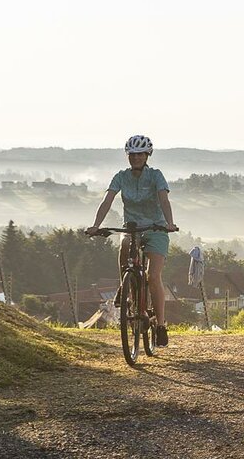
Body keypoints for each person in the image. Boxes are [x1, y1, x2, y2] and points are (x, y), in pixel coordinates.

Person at [89, 135, 178, 346]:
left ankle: (161, 325)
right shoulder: (121, 177)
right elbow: (107, 200)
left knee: (153, 276)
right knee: (125, 243)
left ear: (147, 155)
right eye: (132, 154)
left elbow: (164, 200)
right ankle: (125, 284)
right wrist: (96, 225)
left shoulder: (156, 176)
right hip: (132, 227)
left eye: (140, 154)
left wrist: (169, 223)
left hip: (156, 227)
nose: (136, 158)